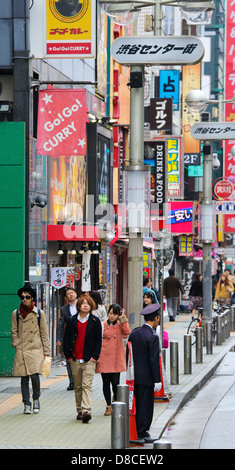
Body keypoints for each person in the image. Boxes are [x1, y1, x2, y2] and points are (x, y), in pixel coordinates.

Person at [11, 284, 50, 414]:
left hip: (35, 349)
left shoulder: (39, 313)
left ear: (32, 298)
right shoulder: (16, 314)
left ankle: (36, 399)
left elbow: (44, 333)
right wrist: (15, 342)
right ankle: (26, 403)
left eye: (27, 297)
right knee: (24, 378)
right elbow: (14, 331)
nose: (25, 299)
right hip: (21, 349)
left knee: (34, 376)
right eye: (22, 297)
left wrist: (46, 352)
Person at [63, 293, 102, 423]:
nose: (85, 305)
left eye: (88, 303)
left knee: (87, 385)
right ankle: (79, 410)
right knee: (78, 386)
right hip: (74, 358)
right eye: (83, 303)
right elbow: (66, 339)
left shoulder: (95, 321)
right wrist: (68, 356)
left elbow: (98, 341)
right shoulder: (71, 320)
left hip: (89, 359)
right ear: (79, 306)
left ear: (91, 306)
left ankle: (86, 410)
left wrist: (94, 357)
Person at [127, 303, 161, 443]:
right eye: (158, 318)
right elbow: (153, 361)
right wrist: (157, 380)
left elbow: (128, 354)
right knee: (145, 405)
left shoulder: (134, 333)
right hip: (147, 378)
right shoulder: (152, 337)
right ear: (156, 318)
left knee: (136, 403)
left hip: (133, 376)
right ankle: (142, 431)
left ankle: (136, 429)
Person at [96, 304, 131, 416]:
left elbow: (127, 331)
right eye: (110, 313)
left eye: (115, 314)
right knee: (105, 382)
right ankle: (109, 405)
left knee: (115, 383)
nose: (112, 316)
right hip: (104, 356)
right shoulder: (103, 325)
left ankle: (116, 402)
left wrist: (123, 318)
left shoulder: (121, 325)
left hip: (116, 358)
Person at [56, 287, 78, 390]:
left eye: (72, 293)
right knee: (69, 359)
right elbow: (60, 324)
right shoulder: (64, 309)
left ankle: (81, 381)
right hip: (69, 337)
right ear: (66, 297)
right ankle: (72, 382)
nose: (71, 295)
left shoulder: (82, 305)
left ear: (76, 294)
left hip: (82, 336)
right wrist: (59, 338)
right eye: (69, 294)